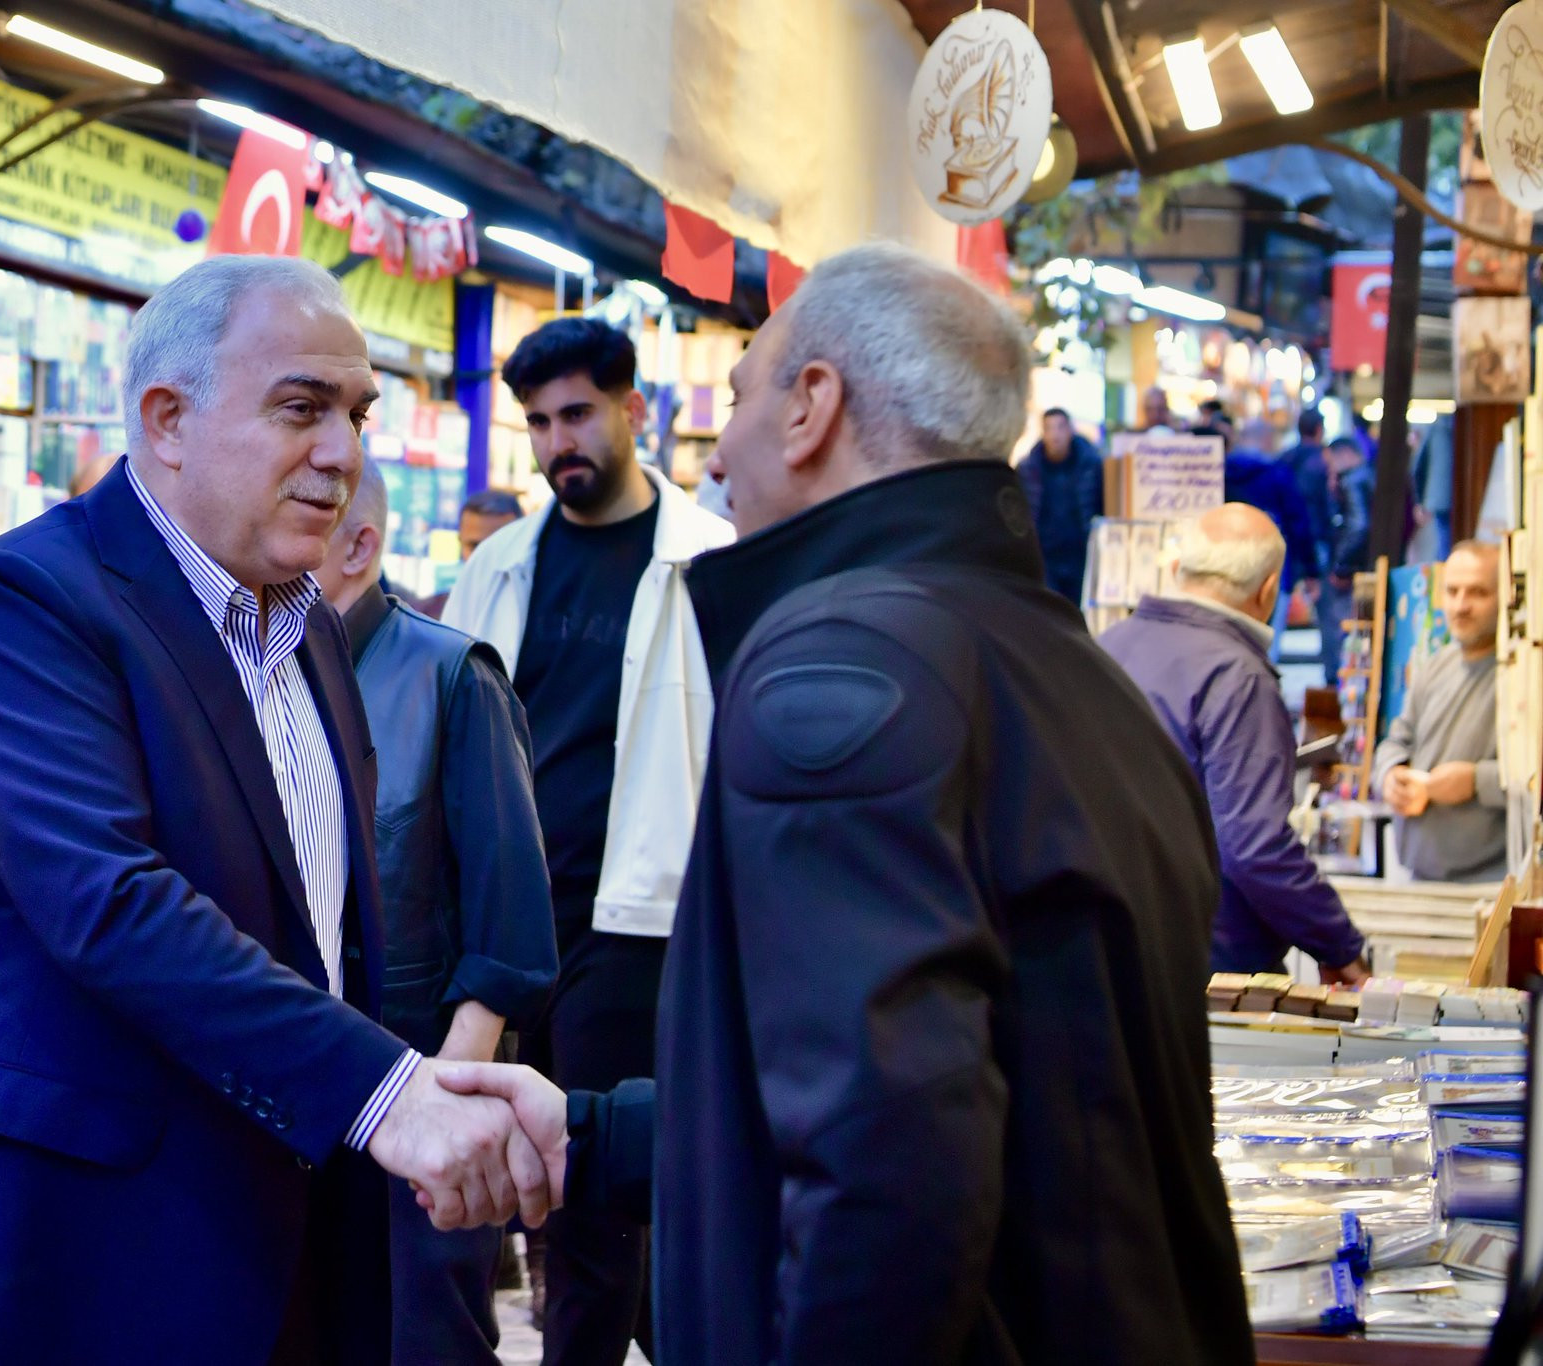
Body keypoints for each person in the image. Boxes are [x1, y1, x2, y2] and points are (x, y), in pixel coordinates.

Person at [442, 242, 1252, 1365]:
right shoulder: (1073, 672)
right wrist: (597, 1134)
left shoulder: (841, 670)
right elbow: (951, 1082)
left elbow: (889, 1157)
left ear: (810, 407)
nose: (719, 453)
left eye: (738, 399)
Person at [0, 257, 553, 1366]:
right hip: (48, 1264)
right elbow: (112, 905)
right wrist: (384, 1092)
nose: (342, 453)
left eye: (356, 415)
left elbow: (318, 934)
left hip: (263, 1245)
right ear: (167, 420)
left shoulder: (307, 625)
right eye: (301, 408)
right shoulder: (22, 604)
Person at [442, 317, 734, 1366]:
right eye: (537, 422)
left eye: (576, 414)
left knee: (599, 1206)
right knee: (510, 1183)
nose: (557, 442)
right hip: (511, 925)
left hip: (635, 922)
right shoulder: (500, 566)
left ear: (632, 410)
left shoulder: (708, 561)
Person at [311, 466, 558, 1364]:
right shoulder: (263, 674)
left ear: (359, 546)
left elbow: (510, 922)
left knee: (425, 1336)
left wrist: (444, 1098)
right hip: (305, 1079)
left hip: (422, 1072)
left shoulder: (453, 673)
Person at [1100, 505, 1370, 978]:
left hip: (1106, 949)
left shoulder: (1107, 647)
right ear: (1268, 590)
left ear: (1178, 569)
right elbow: (1255, 846)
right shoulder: (1238, 678)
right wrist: (1339, 947)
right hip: (1206, 965)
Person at [1375, 540, 1508, 883]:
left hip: (1489, 883)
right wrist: (1390, 774)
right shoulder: (1435, 666)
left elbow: (1532, 778)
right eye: (1452, 591)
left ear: (1505, 595)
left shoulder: (1522, 676)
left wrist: (1476, 781)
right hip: (1419, 876)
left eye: (1478, 592)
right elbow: (1396, 740)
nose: (1461, 606)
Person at [1221, 418, 1318, 654]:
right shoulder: (1278, 474)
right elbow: (1298, 522)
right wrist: (1310, 569)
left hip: (1227, 569)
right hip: (1274, 568)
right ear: (1267, 440)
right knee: (1267, 647)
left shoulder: (1221, 473)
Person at [1013, 407, 1101, 605]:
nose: (1055, 435)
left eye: (1060, 428)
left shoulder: (1091, 465)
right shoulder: (1028, 469)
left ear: (1070, 430)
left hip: (1080, 555)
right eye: (1049, 429)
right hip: (1045, 557)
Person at [1315, 436, 1374, 684]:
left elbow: (1359, 525)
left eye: (1331, 464)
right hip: (1364, 566)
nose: (1330, 471)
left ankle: (1338, 683)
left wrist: (1342, 565)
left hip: (1352, 570)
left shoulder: (1353, 481)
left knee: (1342, 627)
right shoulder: (1367, 476)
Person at [420, 486, 523, 618]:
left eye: (498, 547)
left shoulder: (538, 616)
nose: (484, 557)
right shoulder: (428, 615)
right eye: (475, 546)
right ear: (460, 542)